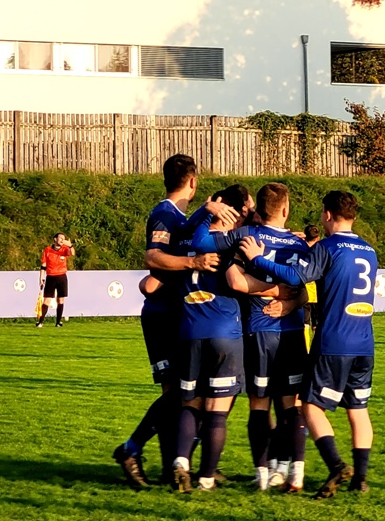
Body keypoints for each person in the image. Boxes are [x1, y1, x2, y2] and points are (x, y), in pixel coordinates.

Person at [240, 190, 379, 497]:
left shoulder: (328, 247)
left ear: (327, 214)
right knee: (358, 409)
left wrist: (258, 259)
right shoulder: (369, 250)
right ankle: (361, 479)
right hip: (365, 343)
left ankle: (336, 465)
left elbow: (295, 276)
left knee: (310, 407)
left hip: (334, 342)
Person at [112, 154, 238, 490]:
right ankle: (131, 449)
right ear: (193, 182)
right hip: (163, 316)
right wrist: (193, 262)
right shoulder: (164, 214)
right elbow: (153, 257)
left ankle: (174, 466)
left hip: (177, 315)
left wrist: (204, 212)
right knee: (177, 395)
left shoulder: (181, 218)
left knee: (183, 397)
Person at [192, 182, 312, 493]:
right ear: (286, 209)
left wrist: (207, 211)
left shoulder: (246, 236)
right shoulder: (298, 245)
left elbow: (202, 243)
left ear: (258, 209)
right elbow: (302, 287)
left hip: (258, 332)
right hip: (291, 333)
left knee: (259, 406)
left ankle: (262, 475)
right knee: (291, 405)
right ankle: (294, 473)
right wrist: (286, 299)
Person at [170, 184, 252, 493]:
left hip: (190, 332)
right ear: (231, 211)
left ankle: (180, 462)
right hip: (224, 333)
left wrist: (205, 211)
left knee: (190, 403)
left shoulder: (183, 239)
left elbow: (191, 235)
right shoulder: (233, 241)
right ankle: (206, 479)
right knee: (217, 410)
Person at [37, 233, 74, 328]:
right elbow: (43, 265)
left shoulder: (64, 249)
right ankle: (40, 321)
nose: (62, 240)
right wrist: (41, 278)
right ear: (55, 239)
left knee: (60, 299)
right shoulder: (47, 250)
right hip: (51, 277)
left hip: (62, 277)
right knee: (47, 300)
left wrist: (70, 246)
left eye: (64, 239)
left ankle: (58, 322)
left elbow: (72, 253)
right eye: (60, 238)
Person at [301, 223, 322, 350]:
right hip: (318, 294)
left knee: (305, 324)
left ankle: (306, 351)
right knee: (317, 325)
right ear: (318, 237)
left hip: (304, 293)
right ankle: (318, 350)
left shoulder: (301, 249)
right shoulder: (321, 250)